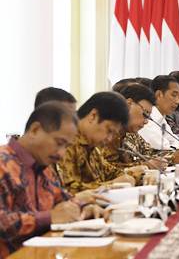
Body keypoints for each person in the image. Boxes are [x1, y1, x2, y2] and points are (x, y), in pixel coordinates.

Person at [0, 103, 103, 255]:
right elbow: (3, 223)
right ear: (35, 130)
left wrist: (84, 207)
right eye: (59, 143)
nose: (61, 154)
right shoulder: (3, 164)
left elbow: (64, 199)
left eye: (67, 146)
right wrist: (50, 217)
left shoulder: (44, 168)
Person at [57, 92, 140, 194]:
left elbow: (110, 172)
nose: (109, 139)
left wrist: (138, 176)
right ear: (93, 116)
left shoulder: (91, 144)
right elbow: (69, 190)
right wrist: (111, 185)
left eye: (113, 134)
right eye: (109, 130)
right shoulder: (66, 142)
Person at [137, 75, 179, 151]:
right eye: (174, 95)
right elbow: (164, 149)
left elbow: (175, 142)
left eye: (178, 96)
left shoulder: (161, 117)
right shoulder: (148, 119)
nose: (177, 101)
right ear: (159, 95)